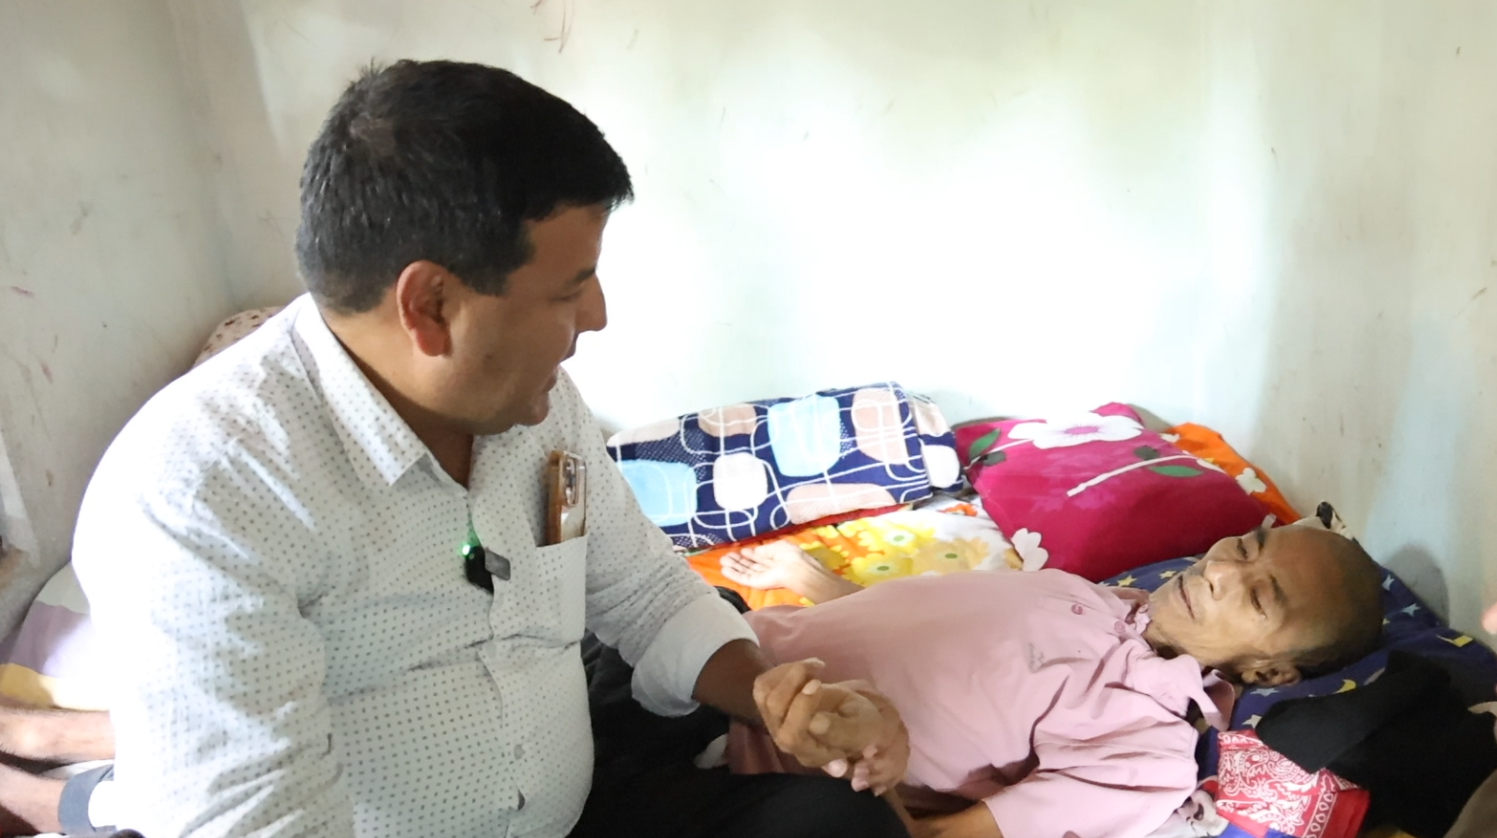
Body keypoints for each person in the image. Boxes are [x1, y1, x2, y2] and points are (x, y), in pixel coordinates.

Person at [69, 60, 907, 838]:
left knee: (837, 820)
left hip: (566, 794)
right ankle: (84, 791)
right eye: (568, 291)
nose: (597, 317)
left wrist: (775, 697)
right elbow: (265, 822)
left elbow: (642, 590)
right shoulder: (204, 499)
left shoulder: (538, 416)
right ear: (430, 306)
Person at [720, 524, 1387, 838]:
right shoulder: (1089, 594)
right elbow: (919, 621)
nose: (1218, 571)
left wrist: (874, 756)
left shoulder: (1147, 750)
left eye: (1258, 596)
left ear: (1269, 672)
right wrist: (816, 583)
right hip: (731, 641)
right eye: (1241, 548)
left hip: (739, 748)